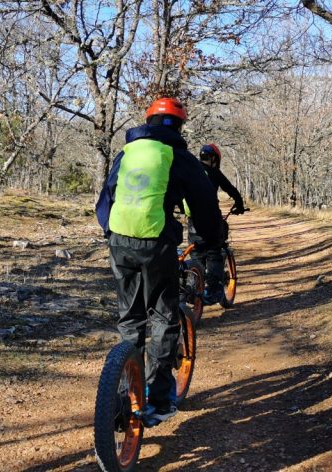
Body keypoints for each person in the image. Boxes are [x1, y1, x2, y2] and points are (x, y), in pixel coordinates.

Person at [95, 97, 223, 425]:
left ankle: (124, 387)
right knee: (163, 315)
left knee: (130, 317)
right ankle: (161, 398)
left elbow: (105, 199)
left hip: (119, 242)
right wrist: (212, 237)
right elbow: (205, 204)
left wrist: (112, 233)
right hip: (156, 244)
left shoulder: (128, 153)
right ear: (179, 126)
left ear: (147, 121)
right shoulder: (178, 157)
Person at [192, 143, 246, 305]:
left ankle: (193, 287)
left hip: (192, 219)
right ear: (214, 159)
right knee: (214, 250)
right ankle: (214, 289)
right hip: (211, 217)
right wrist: (239, 203)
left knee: (196, 252)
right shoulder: (213, 172)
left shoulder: (191, 169)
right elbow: (230, 188)